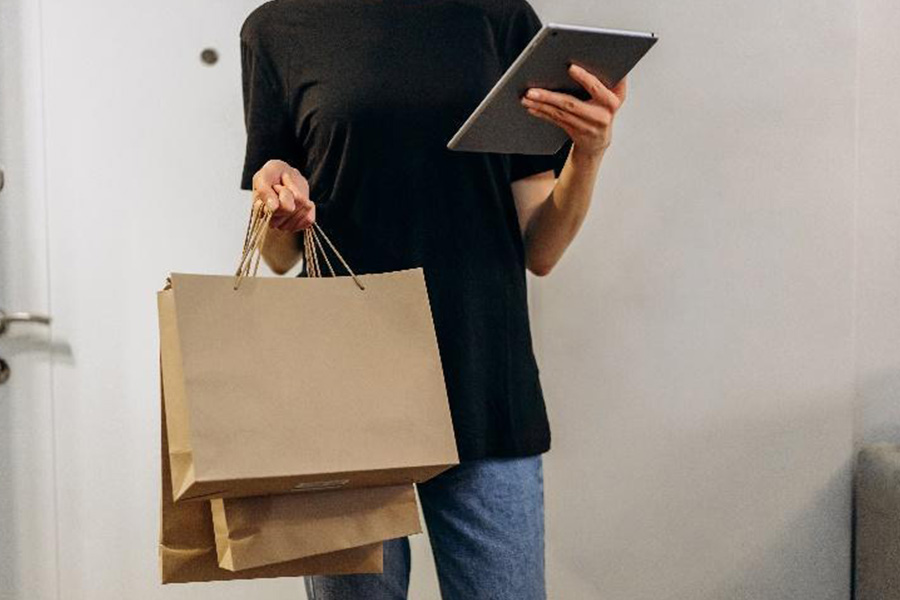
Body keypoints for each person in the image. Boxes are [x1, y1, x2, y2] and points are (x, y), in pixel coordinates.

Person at [239, 1, 626, 598]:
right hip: (342, 399)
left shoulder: (498, 17)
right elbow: (282, 255)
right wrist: (280, 205)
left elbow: (540, 250)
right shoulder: (277, 29)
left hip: (483, 383)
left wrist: (590, 152)